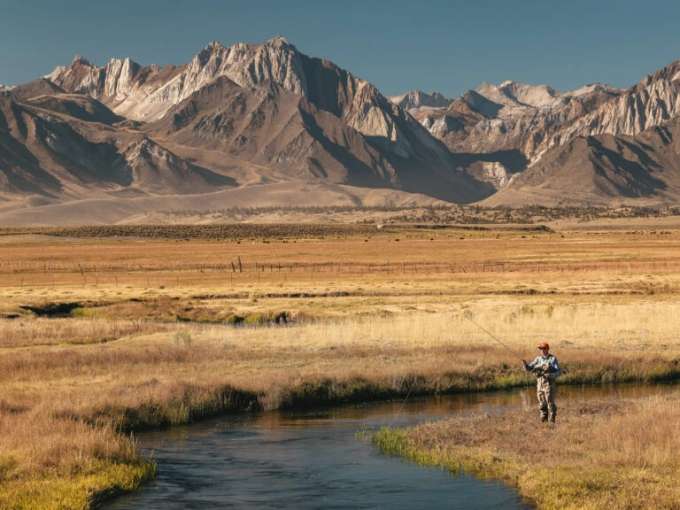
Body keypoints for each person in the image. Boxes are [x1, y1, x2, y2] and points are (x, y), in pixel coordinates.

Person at [523, 342, 560, 424]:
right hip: (540, 385)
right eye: (541, 349)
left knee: (550, 404)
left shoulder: (552, 359)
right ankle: (544, 422)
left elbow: (558, 372)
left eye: (543, 349)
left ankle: (552, 423)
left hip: (549, 385)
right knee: (542, 404)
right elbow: (529, 368)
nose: (542, 350)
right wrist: (525, 365)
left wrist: (550, 375)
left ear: (547, 349)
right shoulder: (538, 359)